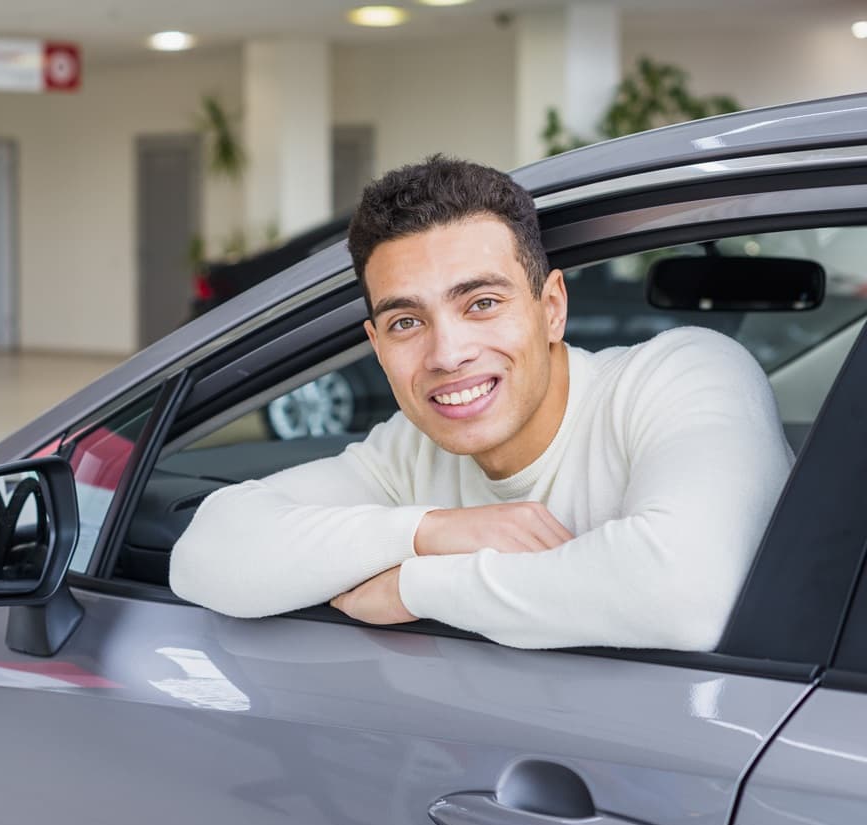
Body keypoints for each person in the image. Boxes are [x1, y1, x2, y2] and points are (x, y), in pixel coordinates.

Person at [168, 155, 792, 651]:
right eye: (407, 322)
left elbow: (686, 594)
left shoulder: (681, 376)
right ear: (377, 346)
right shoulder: (410, 453)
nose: (447, 353)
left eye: (482, 304)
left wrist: (418, 585)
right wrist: (433, 531)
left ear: (551, 308)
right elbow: (207, 555)